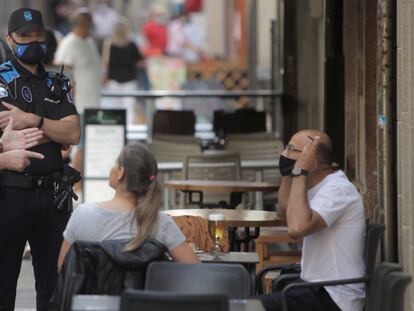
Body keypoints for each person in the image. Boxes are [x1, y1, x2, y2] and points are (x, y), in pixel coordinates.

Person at [0, 8, 80, 311]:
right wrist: (53, 129)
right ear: (10, 39)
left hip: (53, 196)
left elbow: (73, 133)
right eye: (25, 36)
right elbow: (6, 128)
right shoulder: (1, 80)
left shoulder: (58, 83)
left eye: (38, 35)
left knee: (54, 288)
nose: (33, 41)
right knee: (3, 285)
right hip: (10, 194)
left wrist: (30, 119)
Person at [259, 129, 366, 311]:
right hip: (313, 288)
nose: (284, 154)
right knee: (249, 302)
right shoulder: (319, 186)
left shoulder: (337, 190)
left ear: (313, 161)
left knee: (247, 306)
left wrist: (300, 172)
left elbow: (296, 228)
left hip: (334, 297)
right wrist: (288, 173)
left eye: (292, 149)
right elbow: (287, 210)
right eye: (287, 147)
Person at [57, 143, 199, 269]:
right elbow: (195, 270)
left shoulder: (83, 215)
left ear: (121, 173)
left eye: (115, 163)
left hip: (91, 298)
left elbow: (62, 268)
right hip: (141, 299)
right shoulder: (160, 222)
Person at [102, 18, 145, 125]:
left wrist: (103, 76)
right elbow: (139, 62)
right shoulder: (132, 45)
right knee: (129, 108)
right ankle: (129, 132)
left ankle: (116, 130)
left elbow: (105, 63)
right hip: (130, 80)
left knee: (115, 109)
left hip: (113, 80)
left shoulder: (109, 45)